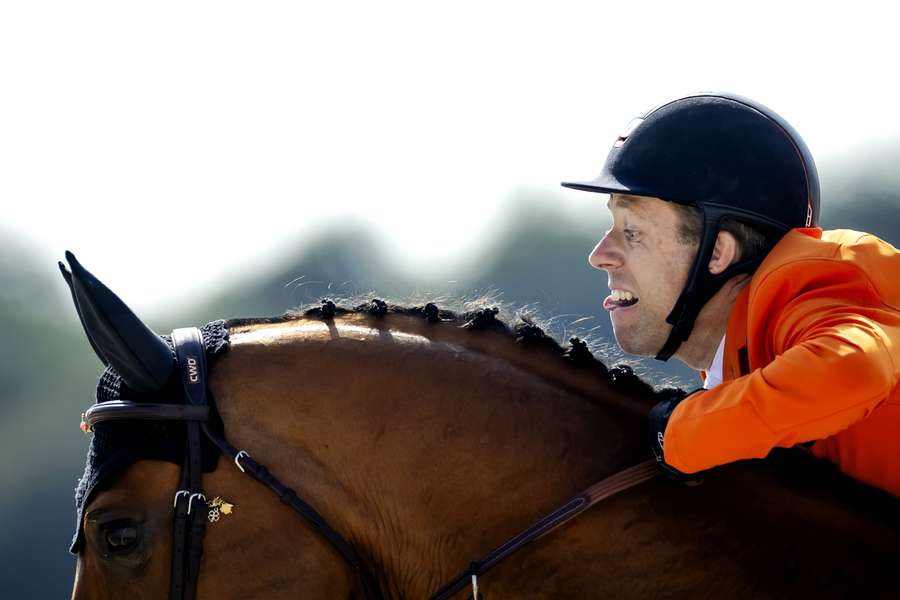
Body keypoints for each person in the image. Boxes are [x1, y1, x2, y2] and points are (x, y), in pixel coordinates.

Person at [562, 92, 900, 498]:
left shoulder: (814, 282)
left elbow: (853, 370)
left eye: (632, 231)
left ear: (718, 252)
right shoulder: (742, 361)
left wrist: (683, 436)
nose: (599, 256)